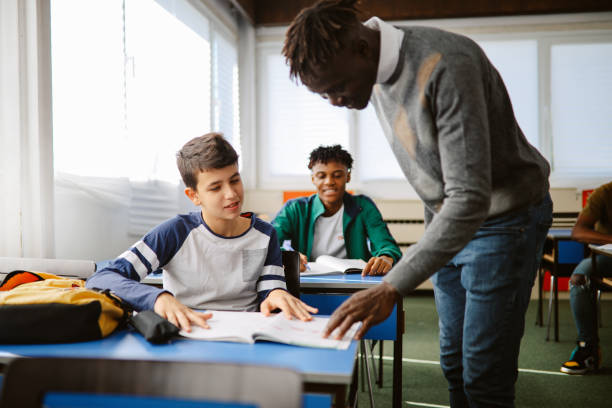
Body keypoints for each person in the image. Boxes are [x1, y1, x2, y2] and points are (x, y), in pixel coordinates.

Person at [283, 1, 552, 406]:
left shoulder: (446, 65)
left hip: (504, 220)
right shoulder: (370, 65)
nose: (336, 102)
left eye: (336, 87)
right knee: (455, 365)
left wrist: (392, 285)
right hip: (449, 220)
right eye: (325, 95)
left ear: (360, 48)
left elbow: (470, 196)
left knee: (484, 375)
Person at [86, 133, 317, 332]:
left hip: (247, 335)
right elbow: (104, 277)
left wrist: (276, 293)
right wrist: (158, 298)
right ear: (194, 195)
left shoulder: (265, 234)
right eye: (216, 187)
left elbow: (269, 288)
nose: (231, 194)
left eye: (235, 180)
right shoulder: (175, 232)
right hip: (190, 332)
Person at [272, 144, 402, 275]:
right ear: (313, 179)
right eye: (321, 176)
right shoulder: (295, 209)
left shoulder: (363, 206)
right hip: (309, 281)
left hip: (356, 279)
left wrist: (386, 257)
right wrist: (288, 255)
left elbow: (386, 244)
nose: (329, 182)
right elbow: (268, 241)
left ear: (348, 176)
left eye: (338, 175)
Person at [560, 181, 612, 375]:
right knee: (580, 277)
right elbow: (579, 231)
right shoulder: (605, 193)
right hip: (608, 258)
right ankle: (587, 348)